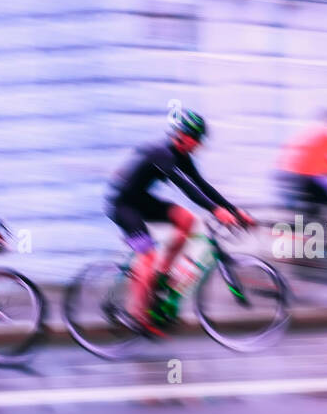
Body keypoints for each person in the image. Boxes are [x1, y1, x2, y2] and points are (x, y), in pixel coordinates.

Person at [107, 108, 255, 331]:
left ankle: (162, 273)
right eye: (197, 139)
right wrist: (216, 211)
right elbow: (187, 189)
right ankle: (137, 316)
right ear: (183, 136)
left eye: (201, 140)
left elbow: (202, 186)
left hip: (141, 200)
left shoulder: (181, 154)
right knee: (147, 258)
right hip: (124, 207)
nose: (200, 145)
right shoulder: (163, 154)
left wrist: (234, 211)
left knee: (186, 219)